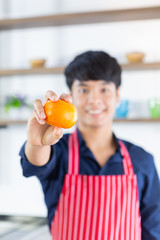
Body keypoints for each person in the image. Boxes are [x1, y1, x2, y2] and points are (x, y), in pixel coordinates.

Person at [19, 50, 160, 240]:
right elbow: (36, 163)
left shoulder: (141, 160)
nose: (94, 100)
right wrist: (36, 143)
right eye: (84, 90)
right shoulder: (58, 150)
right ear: (71, 96)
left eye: (104, 90)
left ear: (117, 95)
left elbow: (153, 230)